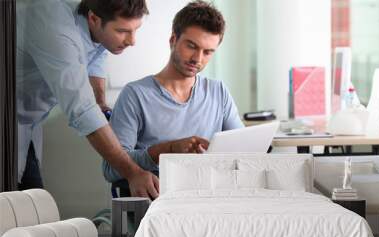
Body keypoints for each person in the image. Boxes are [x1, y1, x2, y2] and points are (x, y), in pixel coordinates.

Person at [17, 0, 159, 199]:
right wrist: (132, 172)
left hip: (27, 121)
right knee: (20, 206)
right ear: (93, 18)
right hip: (9, 117)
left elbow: (97, 54)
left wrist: (100, 100)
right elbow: (82, 110)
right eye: (122, 31)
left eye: (136, 30)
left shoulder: (96, 20)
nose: (132, 41)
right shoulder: (57, 29)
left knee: (28, 201)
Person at [103, 0, 244, 182]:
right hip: (161, 200)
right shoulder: (135, 95)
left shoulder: (218, 92)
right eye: (191, 46)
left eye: (208, 52)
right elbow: (110, 169)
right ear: (173, 40)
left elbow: (242, 152)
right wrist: (166, 150)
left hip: (212, 195)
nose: (197, 59)